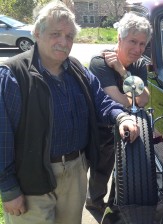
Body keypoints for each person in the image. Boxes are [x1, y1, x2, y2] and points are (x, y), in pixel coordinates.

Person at [0, 1, 139, 224]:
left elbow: (102, 101)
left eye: (69, 36)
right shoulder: (13, 74)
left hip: (75, 171)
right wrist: (8, 189)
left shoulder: (76, 69)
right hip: (31, 178)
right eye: (56, 34)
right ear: (37, 33)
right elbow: (2, 136)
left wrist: (121, 116)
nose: (63, 42)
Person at [86, 12, 152, 210]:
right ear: (119, 38)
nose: (137, 49)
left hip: (130, 125)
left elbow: (144, 98)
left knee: (126, 169)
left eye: (142, 44)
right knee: (101, 168)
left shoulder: (139, 65)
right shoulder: (100, 62)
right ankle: (94, 203)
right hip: (102, 127)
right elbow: (119, 101)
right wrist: (134, 99)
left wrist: (123, 71)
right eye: (133, 41)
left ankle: (116, 204)